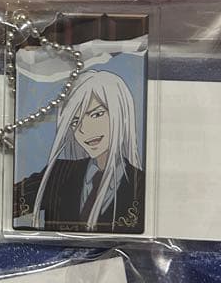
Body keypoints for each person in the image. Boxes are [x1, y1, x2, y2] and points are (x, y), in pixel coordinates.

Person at [13, 70, 144, 234]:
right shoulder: (58, 173)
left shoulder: (141, 186)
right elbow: (0, 205)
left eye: (96, 114)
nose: (84, 130)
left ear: (121, 114)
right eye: (75, 122)